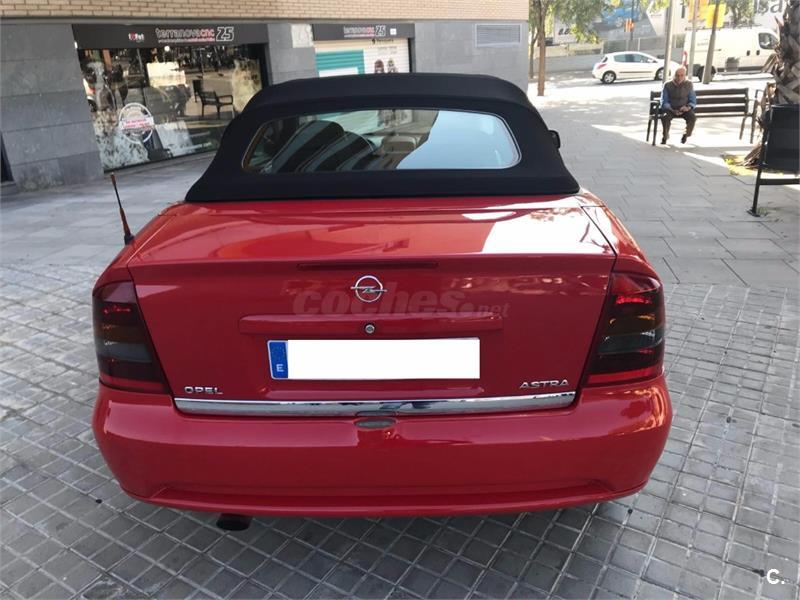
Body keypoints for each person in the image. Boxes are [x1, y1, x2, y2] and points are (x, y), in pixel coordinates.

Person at [660, 65, 697, 145]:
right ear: (674, 75)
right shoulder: (667, 85)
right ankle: (665, 136)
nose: (679, 77)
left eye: (682, 75)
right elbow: (664, 100)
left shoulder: (689, 84)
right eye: (677, 75)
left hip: (684, 108)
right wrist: (672, 109)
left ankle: (686, 134)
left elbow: (693, 100)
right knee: (665, 117)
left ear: (685, 75)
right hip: (670, 109)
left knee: (692, 117)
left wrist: (688, 107)